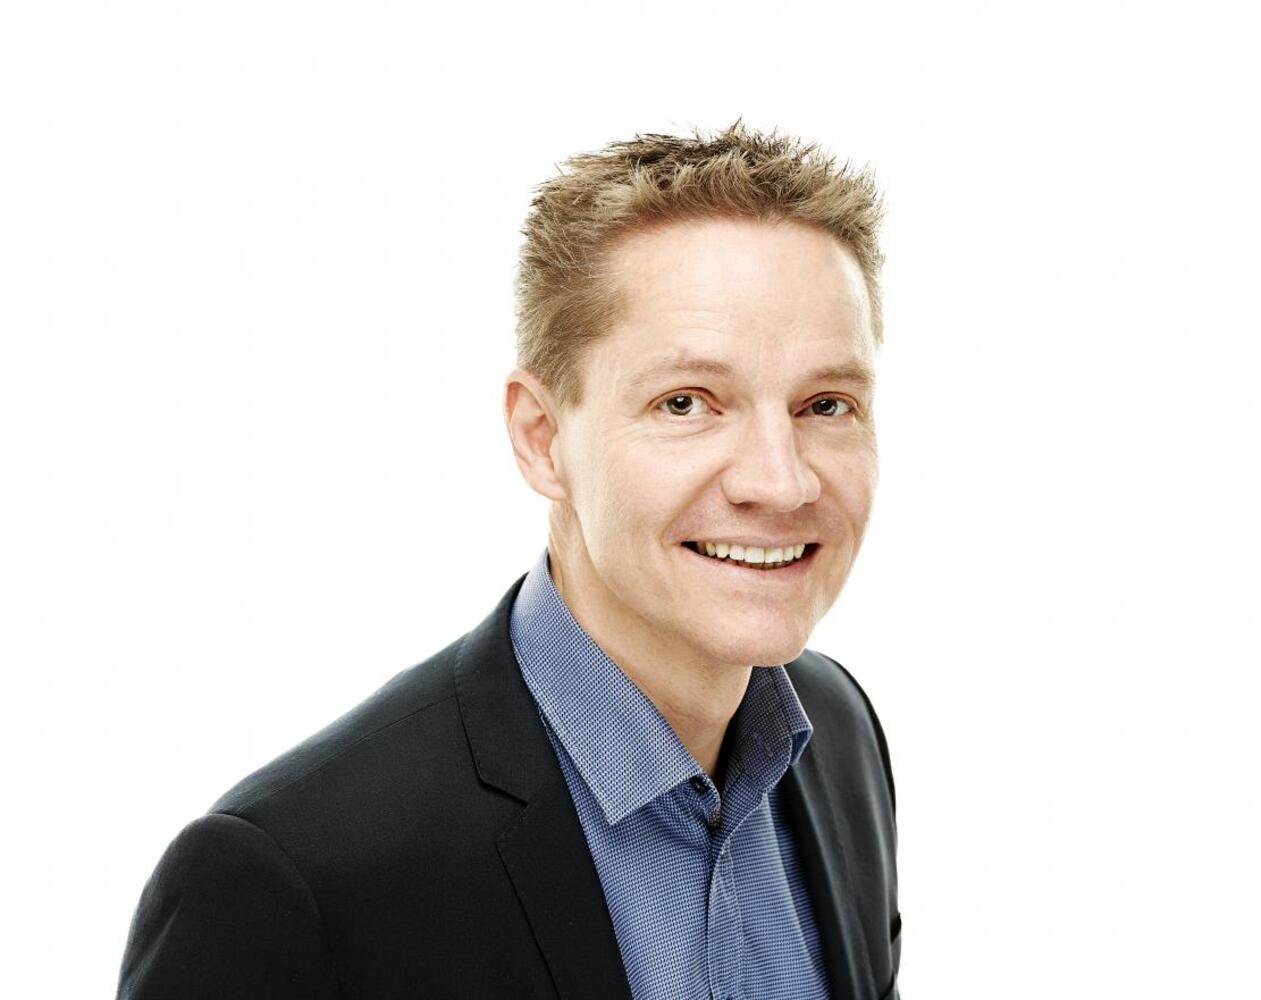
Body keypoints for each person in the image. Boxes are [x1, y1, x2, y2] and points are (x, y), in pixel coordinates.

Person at [116, 119, 901, 1000]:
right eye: (687, 403)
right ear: (541, 438)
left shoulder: (838, 734)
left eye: (826, 405)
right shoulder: (287, 881)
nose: (781, 482)